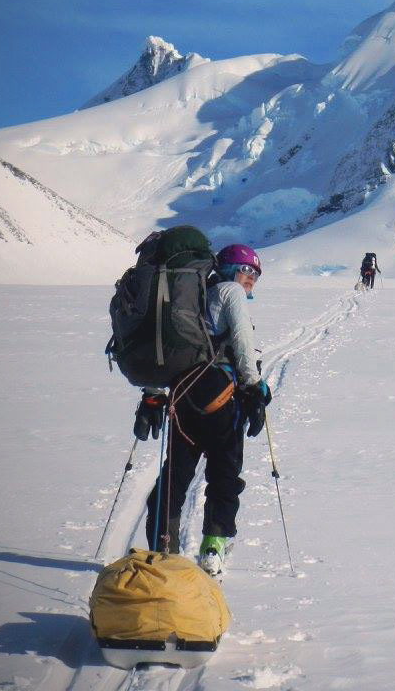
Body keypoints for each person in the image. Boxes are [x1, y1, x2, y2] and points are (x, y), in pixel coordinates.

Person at [134, 243, 272, 574]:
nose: (251, 279)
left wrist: (152, 394)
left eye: (256, 274)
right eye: (247, 270)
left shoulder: (193, 294)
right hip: (221, 398)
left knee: (176, 474)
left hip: (182, 398)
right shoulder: (230, 291)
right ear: (230, 269)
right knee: (224, 473)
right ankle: (213, 548)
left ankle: (162, 550)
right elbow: (240, 341)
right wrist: (254, 388)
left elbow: (168, 345)